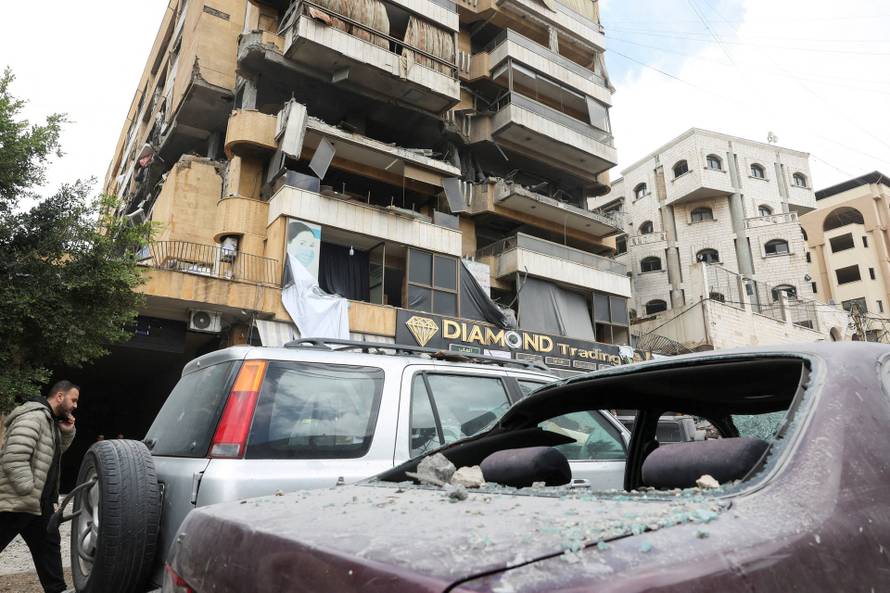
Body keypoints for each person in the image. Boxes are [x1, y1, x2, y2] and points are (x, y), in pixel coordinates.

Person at [0, 380, 79, 593]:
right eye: (73, 399)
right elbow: (14, 458)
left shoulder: (50, 422)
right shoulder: (34, 416)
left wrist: (66, 431)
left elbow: (52, 455)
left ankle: (57, 590)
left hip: (37, 506)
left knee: (49, 548)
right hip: (16, 501)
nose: (75, 406)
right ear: (60, 397)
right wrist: (30, 488)